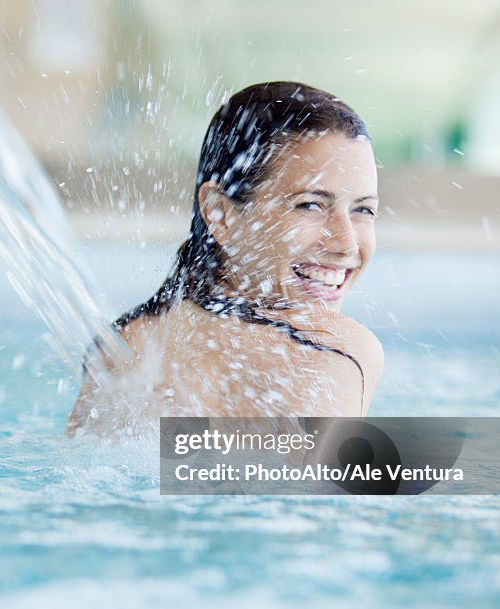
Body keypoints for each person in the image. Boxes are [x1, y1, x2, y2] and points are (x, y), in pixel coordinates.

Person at [68, 81, 384, 436]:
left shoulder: (124, 347)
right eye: (310, 205)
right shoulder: (336, 354)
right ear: (220, 213)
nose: (345, 243)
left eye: (363, 210)